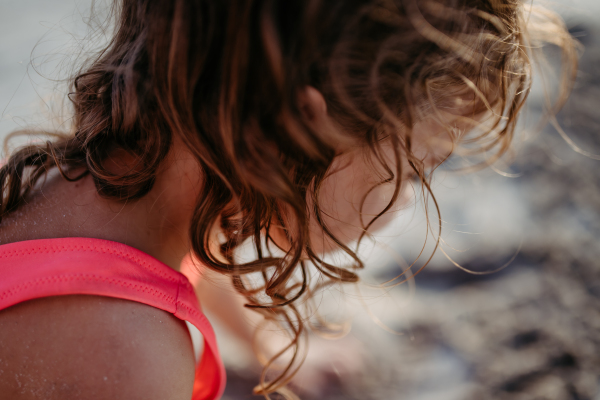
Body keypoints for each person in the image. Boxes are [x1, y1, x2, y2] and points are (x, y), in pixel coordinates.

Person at [0, 0, 577, 399]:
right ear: (302, 124)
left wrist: (265, 342)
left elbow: (197, 257)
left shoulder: (96, 183)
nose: (408, 200)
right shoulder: (124, 358)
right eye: (418, 164)